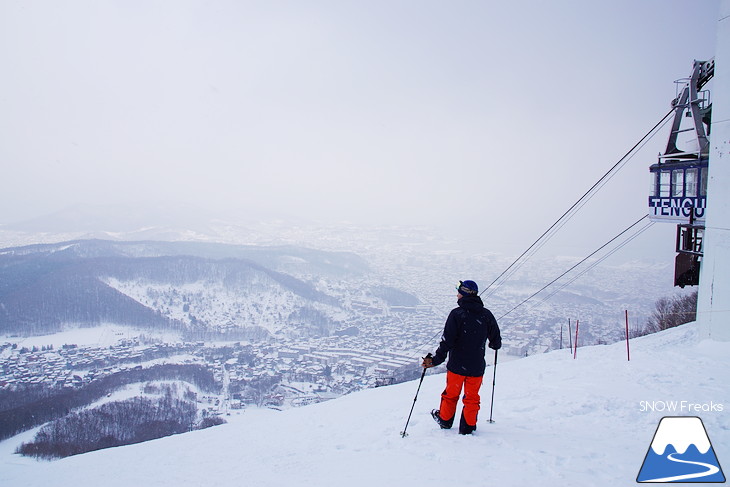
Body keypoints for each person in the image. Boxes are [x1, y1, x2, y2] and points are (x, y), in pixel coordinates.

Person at [422, 280, 501, 435]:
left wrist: (435, 360)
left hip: (457, 366)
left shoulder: (457, 314)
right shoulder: (486, 315)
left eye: (458, 290)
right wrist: (492, 343)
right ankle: (468, 426)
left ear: (464, 292)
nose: (457, 293)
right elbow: (496, 341)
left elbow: (447, 342)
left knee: (451, 395)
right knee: (472, 397)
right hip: (477, 366)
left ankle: (445, 420)